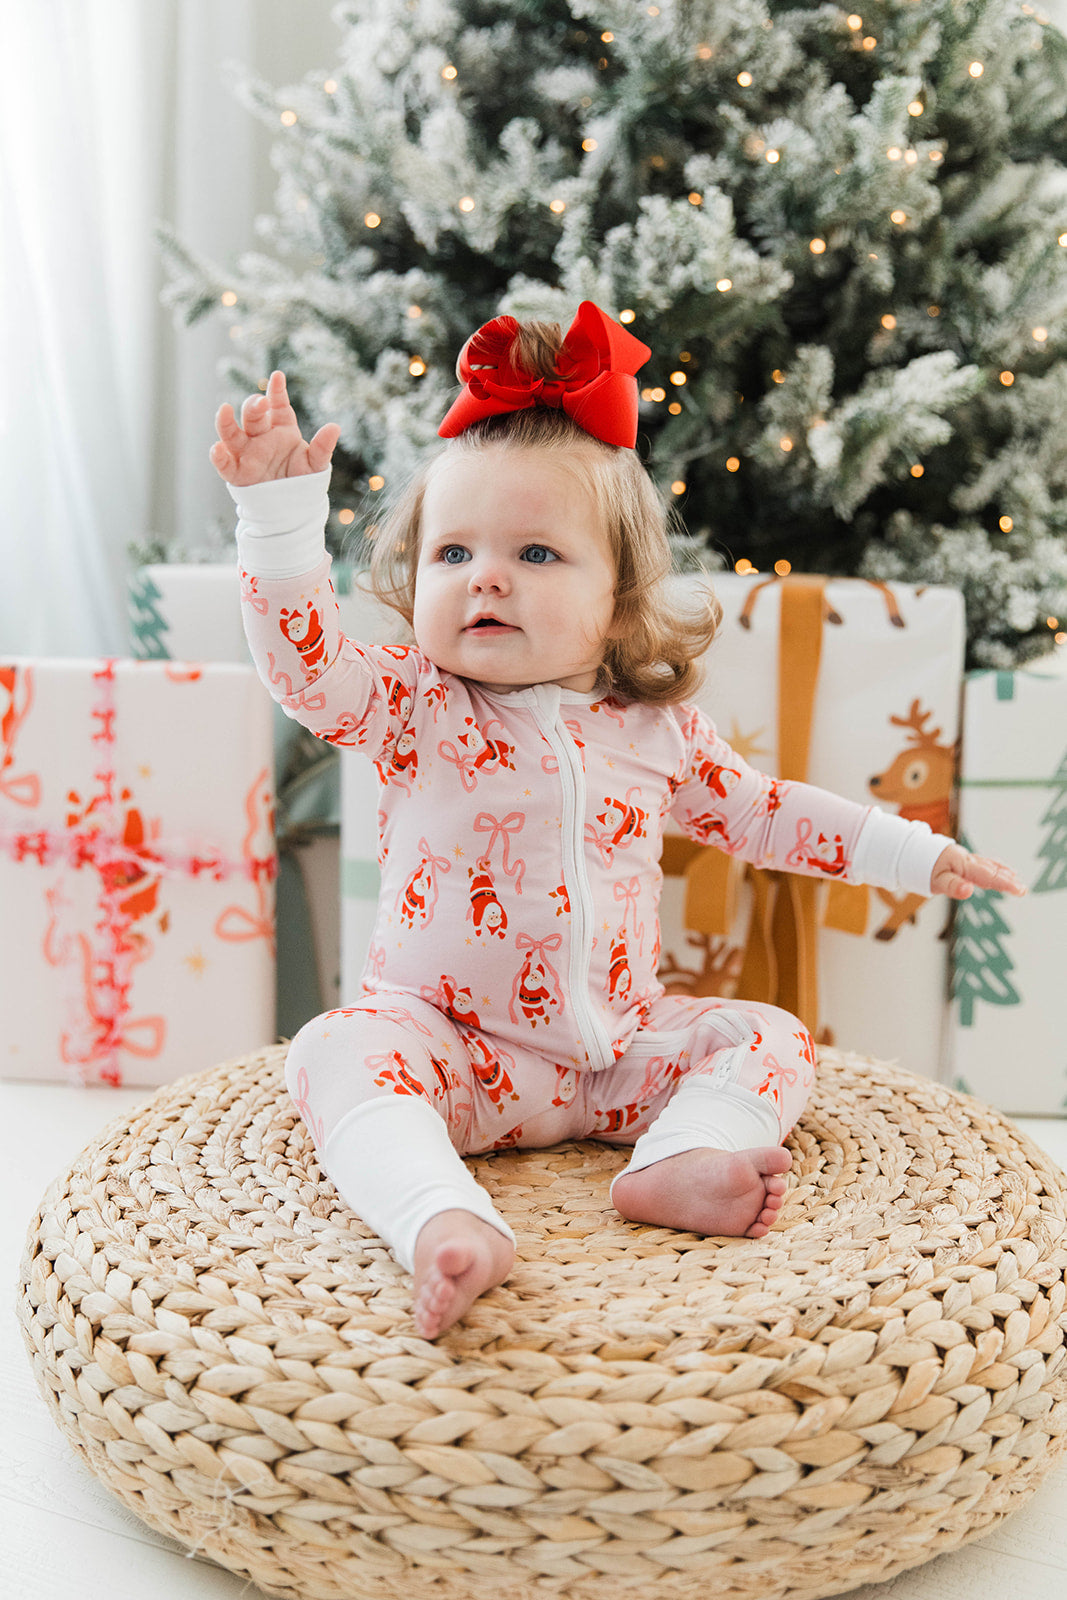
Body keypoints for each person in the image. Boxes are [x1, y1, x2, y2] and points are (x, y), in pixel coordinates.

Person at [211, 301, 1025, 1340]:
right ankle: (440, 1216)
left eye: (536, 554)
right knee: (334, 1051)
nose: (485, 576)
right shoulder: (412, 701)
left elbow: (764, 814)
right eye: (451, 554)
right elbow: (303, 664)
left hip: (616, 1057)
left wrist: (916, 853)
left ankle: (681, 1157)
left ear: (621, 598)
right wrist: (278, 516)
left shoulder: (653, 730)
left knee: (763, 1033)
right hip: (456, 1051)